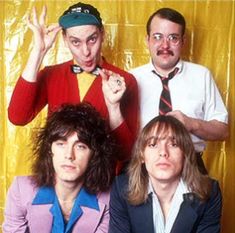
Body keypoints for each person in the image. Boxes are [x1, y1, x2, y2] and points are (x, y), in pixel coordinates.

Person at [8, 2, 139, 173]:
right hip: (59, 184)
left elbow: (124, 153)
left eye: (92, 39)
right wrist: (38, 52)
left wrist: (113, 107)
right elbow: (18, 117)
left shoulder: (124, 81)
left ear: (103, 34)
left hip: (101, 188)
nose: (85, 51)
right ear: (64, 40)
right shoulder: (51, 75)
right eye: (75, 42)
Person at [130, 7, 228, 173]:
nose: (165, 45)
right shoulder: (131, 79)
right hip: (142, 168)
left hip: (190, 167)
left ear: (183, 41)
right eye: (158, 37)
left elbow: (223, 131)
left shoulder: (202, 75)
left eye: (173, 38)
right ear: (147, 40)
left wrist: (191, 123)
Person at [3, 103, 116, 233]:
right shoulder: (21, 190)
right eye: (61, 144)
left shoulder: (108, 200)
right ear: (50, 150)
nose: (69, 155)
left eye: (80, 146)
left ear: (94, 155)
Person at [109, 115, 222, 233]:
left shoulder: (210, 192)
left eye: (173, 144)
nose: (163, 152)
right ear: (141, 155)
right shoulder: (121, 188)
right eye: (153, 144)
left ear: (185, 154)